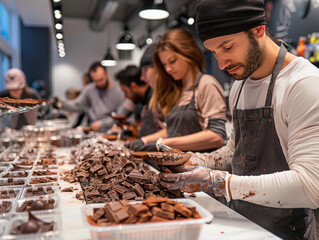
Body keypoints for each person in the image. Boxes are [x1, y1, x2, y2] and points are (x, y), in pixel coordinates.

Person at [160, 1, 319, 239]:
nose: (222, 64)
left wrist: (219, 183)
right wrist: (197, 162)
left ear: (258, 30)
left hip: (287, 232)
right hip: (240, 224)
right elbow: (236, 151)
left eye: (227, 47)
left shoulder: (303, 84)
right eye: (214, 52)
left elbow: (310, 187)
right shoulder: (240, 85)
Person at [127, 28, 227, 152]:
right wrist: (145, 141)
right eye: (164, 64)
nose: (168, 69)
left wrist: (166, 143)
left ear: (188, 53)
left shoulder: (206, 84)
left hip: (198, 166)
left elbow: (216, 136)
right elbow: (173, 130)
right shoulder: (176, 90)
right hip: (175, 166)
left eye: (172, 61)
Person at [53, 62, 125, 132]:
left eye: (101, 80)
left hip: (113, 132)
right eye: (96, 81)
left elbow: (121, 115)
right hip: (94, 132)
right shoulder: (90, 89)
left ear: (106, 74)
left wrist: (102, 124)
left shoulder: (119, 90)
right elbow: (77, 107)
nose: (99, 84)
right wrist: (61, 103)